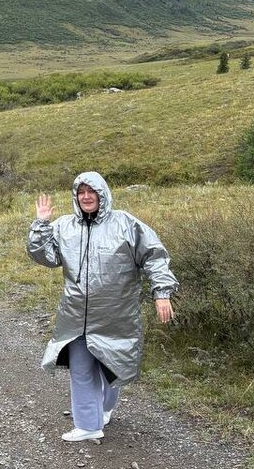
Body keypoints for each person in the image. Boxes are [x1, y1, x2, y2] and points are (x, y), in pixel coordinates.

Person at [27, 170, 178, 442]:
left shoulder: (126, 225)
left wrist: (162, 293)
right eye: (81, 192)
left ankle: (104, 408)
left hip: (116, 316)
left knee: (112, 365)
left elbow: (155, 257)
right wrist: (41, 225)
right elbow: (47, 257)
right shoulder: (64, 226)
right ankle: (88, 424)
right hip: (76, 315)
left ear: (102, 194)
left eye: (91, 191)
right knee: (82, 368)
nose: (86, 197)